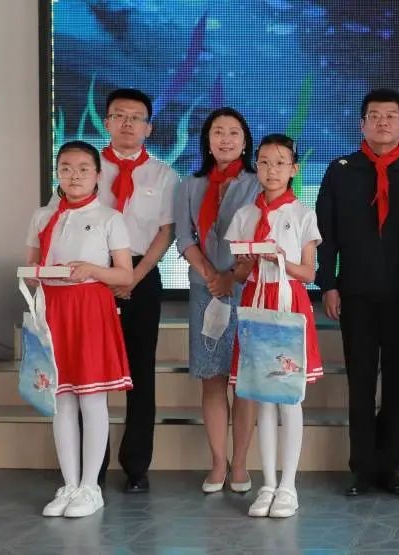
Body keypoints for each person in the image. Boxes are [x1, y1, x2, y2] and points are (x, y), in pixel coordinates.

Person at [316, 88, 399, 497]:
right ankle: (361, 468)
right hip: (354, 292)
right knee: (360, 380)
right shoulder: (341, 170)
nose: (382, 122)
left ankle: (391, 468)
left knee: (398, 382)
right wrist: (328, 283)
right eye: (374, 115)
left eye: (391, 116)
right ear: (362, 124)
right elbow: (325, 234)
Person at [27, 141, 134, 517]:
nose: (74, 176)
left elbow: (125, 275)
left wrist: (91, 270)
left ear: (98, 175)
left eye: (83, 169)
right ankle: (70, 483)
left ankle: (91, 487)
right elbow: (31, 268)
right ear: (57, 172)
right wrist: (38, 276)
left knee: (91, 398)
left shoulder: (109, 217)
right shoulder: (43, 217)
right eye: (66, 168)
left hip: (90, 309)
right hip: (52, 310)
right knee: (61, 399)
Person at [225, 134, 323, 518]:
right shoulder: (244, 215)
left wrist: (280, 259)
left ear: (294, 168)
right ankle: (267, 483)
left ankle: (288, 486)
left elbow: (310, 273)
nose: (272, 170)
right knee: (262, 397)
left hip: (288, 303)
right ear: (256, 166)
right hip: (255, 303)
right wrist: (248, 262)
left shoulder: (303, 214)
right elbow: (238, 273)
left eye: (280, 162)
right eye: (264, 162)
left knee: (289, 397)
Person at [89, 88, 178, 493]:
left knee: (140, 371)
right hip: (93, 277)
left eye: (136, 117)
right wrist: (105, 276)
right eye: (118, 115)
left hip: (141, 276)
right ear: (106, 122)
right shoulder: (87, 166)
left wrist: (134, 276)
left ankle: (136, 466)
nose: (127, 123)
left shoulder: (163, 174)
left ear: (148, 128)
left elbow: (166, 231)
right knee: (92, 372)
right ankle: (91, 465)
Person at [174, 107, 261, 494]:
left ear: (245, 141)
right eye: (218, 132)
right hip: (204, 291)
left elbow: (259, 237)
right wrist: (212, 276)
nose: (225, 139)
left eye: (233, 133)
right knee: (212, 378)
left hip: (247, 289)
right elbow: (184, 238)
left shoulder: (257, 182)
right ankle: (218, 462)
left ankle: (240, 463)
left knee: (244, 380)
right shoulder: (188, 185)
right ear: (207, 140)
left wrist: (232, 276)